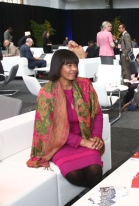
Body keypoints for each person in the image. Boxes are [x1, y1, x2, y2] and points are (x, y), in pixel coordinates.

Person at [26, 49, 104, 189]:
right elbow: (52, 130)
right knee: (74, 175)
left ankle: (94, 196)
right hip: (59, 143)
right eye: (69, 65)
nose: (74, 69)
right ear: (58, 67)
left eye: (75, 65)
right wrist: (82, 142)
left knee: (95, 170)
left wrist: (96, 136)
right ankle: (98, 194)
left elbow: (97, 113)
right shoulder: (47, 94)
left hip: (86, 136)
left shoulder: (85, 85)